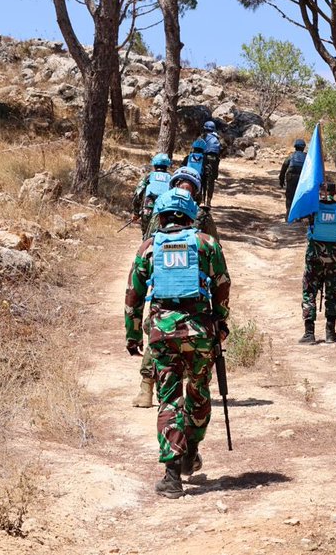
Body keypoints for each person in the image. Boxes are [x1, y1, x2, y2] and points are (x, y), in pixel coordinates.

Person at [124, 187, 231, 498]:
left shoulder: (148, 248)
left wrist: (132, 335)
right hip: (200, 334)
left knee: (170, 400)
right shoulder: (206, 244)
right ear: (189, 214)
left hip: (162, 336)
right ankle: (191, 450)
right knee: (199, 393)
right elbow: (222, 285)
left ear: (162, 216)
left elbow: (133, 295)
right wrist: (221, 323)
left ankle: (172, 477)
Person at [133, 168, 221, 408]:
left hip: (165, 284)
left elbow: (148, 244)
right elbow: (215, 249)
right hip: (189, 290)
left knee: (158, 333)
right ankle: (165, 391)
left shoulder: (162, 211)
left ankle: (148, 389)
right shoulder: (198, 214)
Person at [293, 182, 336, 345]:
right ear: (334, 192)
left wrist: (312, 197)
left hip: (314, 257)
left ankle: (309, 333)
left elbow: (296, 214)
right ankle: (330, 332)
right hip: (333, 259)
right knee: (331, 294)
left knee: (309, 292)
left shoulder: (313, 209)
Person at [132, 154, 172, 232]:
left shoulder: (148, 177)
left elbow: (137, 194)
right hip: (165, 212)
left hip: (148, 211)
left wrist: (136, 213)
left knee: (146, 235)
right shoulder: (171, 179)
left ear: (154, 165)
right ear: (167, 165)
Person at [197, 121, 223, 206]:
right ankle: (208, 201)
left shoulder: (202, 137)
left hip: (202, 159)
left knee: (200, 178)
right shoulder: (217, 138)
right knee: (211, 181)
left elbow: (196, 148)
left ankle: (200, 199)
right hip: (214, 161)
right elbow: (221, 149)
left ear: (205, 128)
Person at [279, 139, 307, 214]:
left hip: (291, 178)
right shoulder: (307, 157)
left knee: (290, 196)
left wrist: (281, 180)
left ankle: (289, 214)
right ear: (303, 147)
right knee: (301, 196)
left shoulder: (291, 156)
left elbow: (284, 167)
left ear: (295, 147)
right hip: (302, 180)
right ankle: (299, 215)